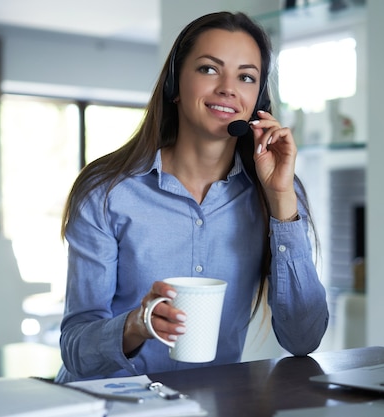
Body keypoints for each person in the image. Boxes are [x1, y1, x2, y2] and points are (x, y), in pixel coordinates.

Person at [55, 11, 328, 383]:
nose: (228, 88)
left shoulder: (276, 192)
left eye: (246, 77)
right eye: (209, 69)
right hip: (107, 404)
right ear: (175, 86)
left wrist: (281, 199)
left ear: (257, 99)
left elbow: (303, 339)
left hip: (210, 403)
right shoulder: (108, 191)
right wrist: (138, 324)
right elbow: (75, 349)